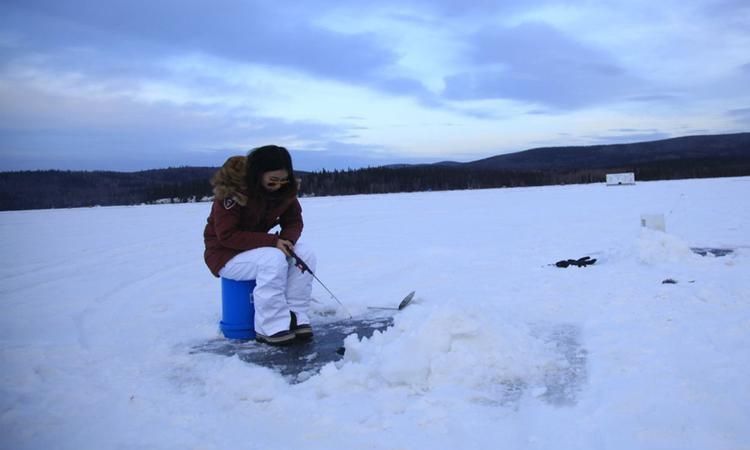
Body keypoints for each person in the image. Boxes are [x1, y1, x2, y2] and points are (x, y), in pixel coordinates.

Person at [203, 146, 316, 346]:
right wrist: (273, 242)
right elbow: (227, 236)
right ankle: (270, 326)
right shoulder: (232, 194)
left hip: (257, 250)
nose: (279, 185)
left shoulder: (284, 193)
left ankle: (295, 317)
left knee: (304, 253)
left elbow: (293, 221)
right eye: (273, 180)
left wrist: (288, 240)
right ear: (257, 174)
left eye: (284, 180)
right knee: (272, 259)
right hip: (224, 254)